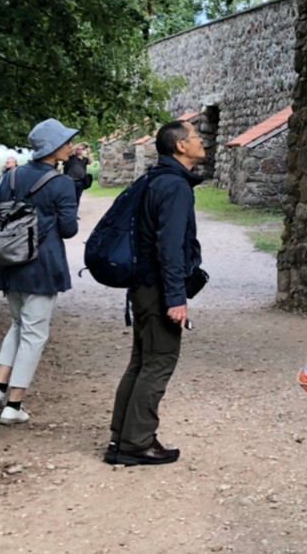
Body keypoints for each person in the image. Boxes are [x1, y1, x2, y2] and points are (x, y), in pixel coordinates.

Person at [106, 119, 206, 467]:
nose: (201, 140)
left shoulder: (155, 178)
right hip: (158, 288)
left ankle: (122, 438)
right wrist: (176, 298)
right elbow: (170, 247)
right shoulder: (175, 186)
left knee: (142, 362)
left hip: (143, 285)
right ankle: (136, 444)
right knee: (159, 363)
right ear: (181, 146)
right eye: (195, 136)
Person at [0, 119, 86, 426]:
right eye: (66, 142)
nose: (71, 146)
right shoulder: (61, 182)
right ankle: (14, 405)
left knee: (17, 324)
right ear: (52, 148)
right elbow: (68, 229)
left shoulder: (11, 176)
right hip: (41, 265)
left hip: (8, 261)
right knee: (34, 333)